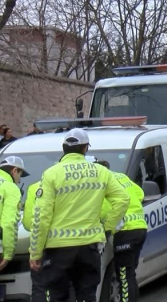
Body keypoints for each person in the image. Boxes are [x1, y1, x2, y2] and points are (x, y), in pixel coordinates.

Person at [29, 128, 130, 302]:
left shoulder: (52, 174)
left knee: (58, 296)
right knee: (87, 296)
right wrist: (106, 227)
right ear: (85, 149)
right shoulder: (101, 172)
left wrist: (35, 252)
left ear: (63, 148)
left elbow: (41, 216)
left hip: (58, 250)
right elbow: (123, 199)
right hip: (89, 247)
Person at [98, 160, 148, 302]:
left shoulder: (102, 183)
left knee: (124, 276)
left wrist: (104, 225)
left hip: (125, 231)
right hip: (140, 228)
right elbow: (140, 193)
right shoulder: (121, 176)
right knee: (129, 274)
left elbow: (105, 210)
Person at [0, 156, 29, 272]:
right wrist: (8, 254)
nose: (20, 180)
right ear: (14, 170)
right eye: (20, 175)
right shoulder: (10, 188)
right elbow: (9, 223)